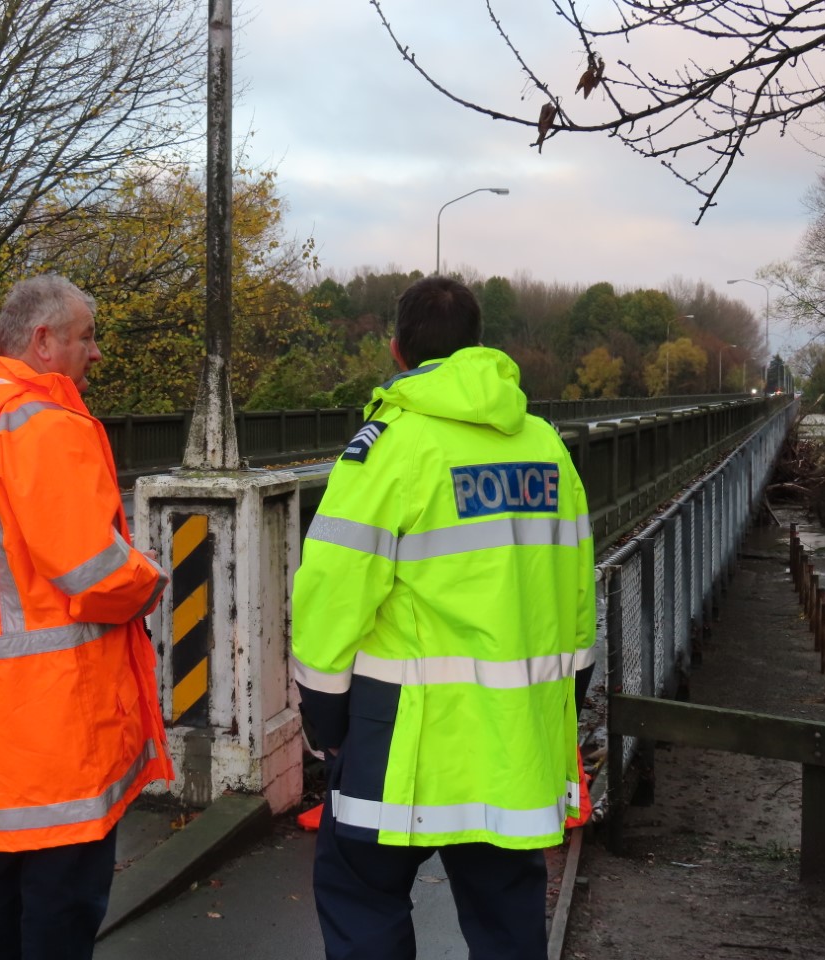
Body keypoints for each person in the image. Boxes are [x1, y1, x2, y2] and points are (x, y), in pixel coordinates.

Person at [290, 275, 596, 960]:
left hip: (400, 744)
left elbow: (330, 597)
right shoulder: (544, 446)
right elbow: (578, 595)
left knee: (360, 898)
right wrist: (560, 706)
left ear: (397, 352)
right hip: (512, 747)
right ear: (478, 347)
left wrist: (324, 721)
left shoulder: (390, 447)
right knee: (509, 923)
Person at [0, 274, 172, 960]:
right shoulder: (43, 426)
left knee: (3, 875)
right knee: (62, 900)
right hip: (60, 720)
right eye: (86, 336)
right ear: (44, 341)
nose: (97, 352)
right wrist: (151, 583)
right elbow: (92, 571)